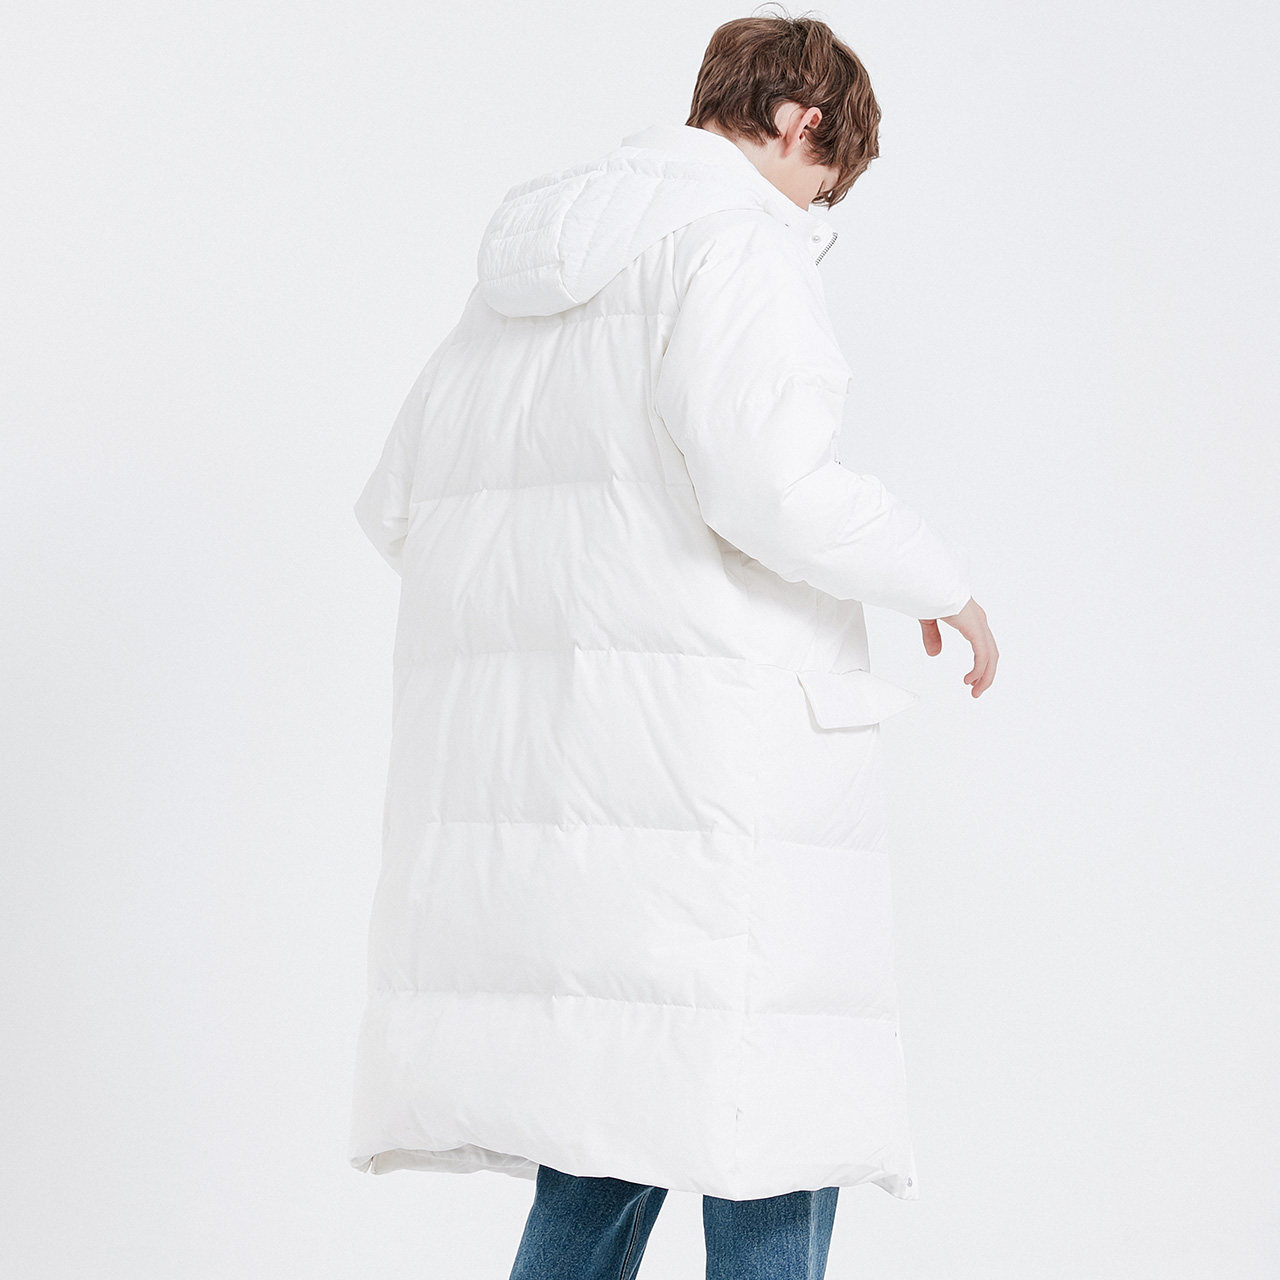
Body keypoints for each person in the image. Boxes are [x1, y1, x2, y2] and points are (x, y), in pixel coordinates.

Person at [348, 11, 998, 1279]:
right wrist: (940, 578)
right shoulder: (735, 241)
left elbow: (400, 504)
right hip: (715, 781)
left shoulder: (521, 280)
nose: (813, 212)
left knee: (612, 1114)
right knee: (774, 1111)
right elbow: (771, 486)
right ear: (801, 123)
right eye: (824, 183)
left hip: (568, 787)